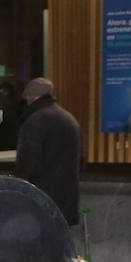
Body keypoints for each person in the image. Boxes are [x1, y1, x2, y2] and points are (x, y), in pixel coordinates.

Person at [15, 77, 83, 227]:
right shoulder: (69, 118)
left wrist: (17, 188)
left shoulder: (35, 121)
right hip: (67, 199)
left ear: (32, 97)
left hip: (41, 200)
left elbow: (28, 164)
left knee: (39, 240)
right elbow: (81, 160)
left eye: (27, 97)